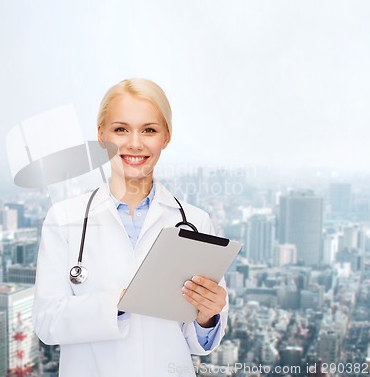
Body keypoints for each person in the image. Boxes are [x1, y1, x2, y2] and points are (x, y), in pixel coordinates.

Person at [32, 78, 228, 377]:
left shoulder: (195, 222)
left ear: (166, 137)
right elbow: (48, 323)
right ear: (101, 135)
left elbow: (199, 343)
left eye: (149, 130)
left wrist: (207, 316)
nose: (135, 143)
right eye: (121, 129)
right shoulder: (65, 219)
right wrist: (120, 302)